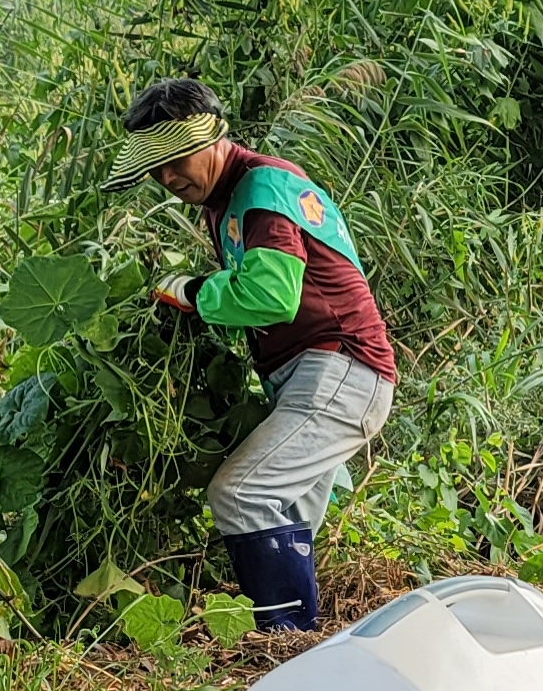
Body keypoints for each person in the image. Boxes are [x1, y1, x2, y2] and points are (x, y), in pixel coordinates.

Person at [104, 77, 399, 631]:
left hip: (339, 364)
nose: (168, 177)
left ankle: (284, 646)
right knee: (288, 517)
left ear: (214, 136)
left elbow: (270, 295)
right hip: (318, 373)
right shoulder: (230, 200)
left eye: (177, 159)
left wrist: (191, 291)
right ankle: (305, 652)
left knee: (240, 493)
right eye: (156, 166)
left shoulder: (263, 188)